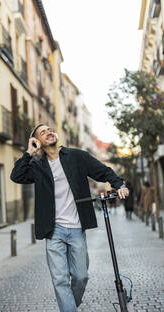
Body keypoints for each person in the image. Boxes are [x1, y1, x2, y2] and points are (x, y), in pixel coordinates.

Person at [10, 124, 129, 312]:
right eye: (42, 132)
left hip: (75, 227)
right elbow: (16, 176)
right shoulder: (37, 165)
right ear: (37, 142)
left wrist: (119, 184)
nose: (48, 132)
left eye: (49, 129)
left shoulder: (76, 156)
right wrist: (28, 153)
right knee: (59, 279)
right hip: (53, 230)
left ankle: (69, 306)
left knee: (81, 276)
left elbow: (103, 171)